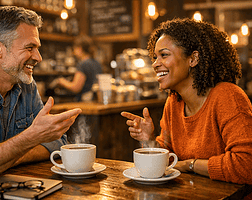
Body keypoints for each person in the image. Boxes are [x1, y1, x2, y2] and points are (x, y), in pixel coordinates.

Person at [0, 6, 82, 187]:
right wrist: (31, 138)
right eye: (30, 47)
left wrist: (8, 157)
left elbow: (57, 143)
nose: (38, 57)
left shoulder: (25, 84)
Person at [121, 18, 252, 185]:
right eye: (155, 57)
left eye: (164, 55)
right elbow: (169, 161)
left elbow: (246, 166)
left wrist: (191, 165)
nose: (155, 64)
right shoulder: (173, 102)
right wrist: (149, 140)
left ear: (193, 59)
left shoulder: (227, 96)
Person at [49, 35, 102, 101]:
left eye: (74, 49)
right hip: (95, 99)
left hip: (85, 101)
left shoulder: (83, 64)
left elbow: (76, 87)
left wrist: (61, 81)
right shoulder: (96, 63)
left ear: (80, 48)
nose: (74, 52)